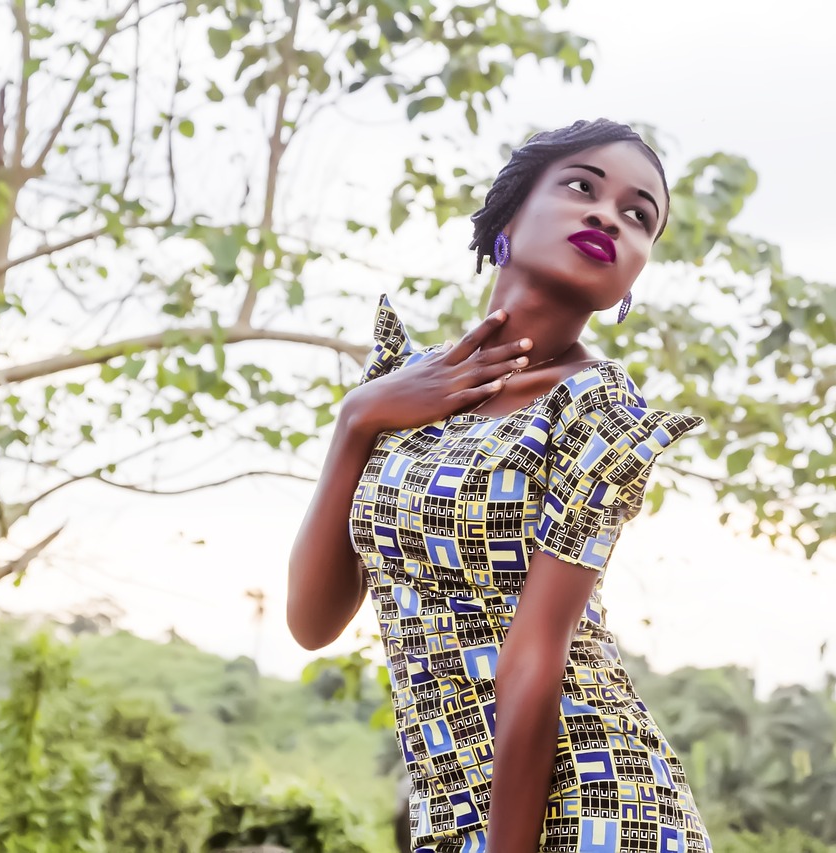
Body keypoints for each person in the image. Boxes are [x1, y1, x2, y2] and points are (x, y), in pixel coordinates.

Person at [287, 119, 712, 853]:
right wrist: (357, 418)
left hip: (593, 802)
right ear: (510, 213)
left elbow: (534, 655)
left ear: (632, 274)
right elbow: (312, 622)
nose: (609, 214)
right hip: (450, 806)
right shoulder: (403, 385)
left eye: (639, 214)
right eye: (583, 186)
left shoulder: (598, 409)